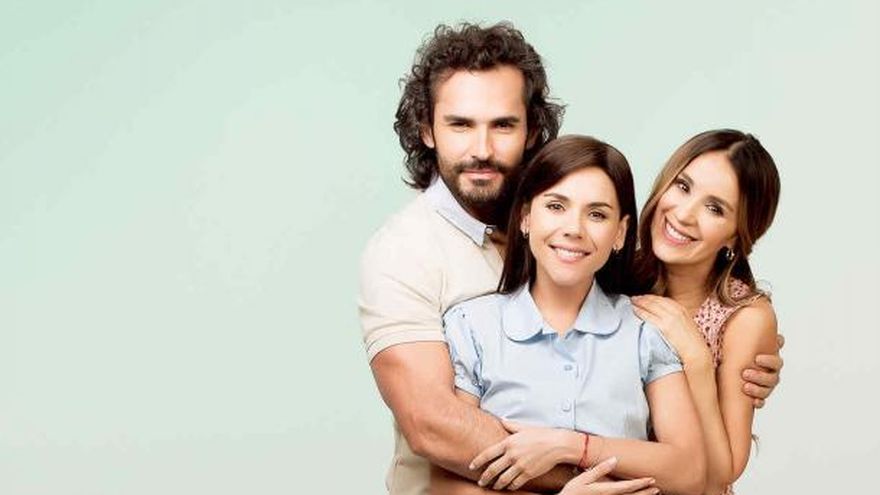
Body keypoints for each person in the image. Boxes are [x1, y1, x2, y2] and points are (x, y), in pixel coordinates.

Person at [359, 22, 782, 495]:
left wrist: (706, 362)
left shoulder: (619, 283)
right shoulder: (407, 254)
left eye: (503, 124)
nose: (482, 149)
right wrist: (585, 470)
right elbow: (433, 426)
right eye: (460, 124)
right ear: (427, 130)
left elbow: (699, 471)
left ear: (532, 131)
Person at [434, 135, 707, 495]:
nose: (574, 229)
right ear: (526, 217)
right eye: (556, 206)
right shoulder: (471, 327)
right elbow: (446, 484)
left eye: (597, 214)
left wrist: (572, 446)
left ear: (620, 233)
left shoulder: (645, 332)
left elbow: (689, 473)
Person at [631, 130, 782, 494]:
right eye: (682, 187)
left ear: (736, 236)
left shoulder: (744, 317)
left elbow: (719, 476)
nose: (684, 214)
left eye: (715, 209)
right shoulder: (612, 275)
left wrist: (696, 358)